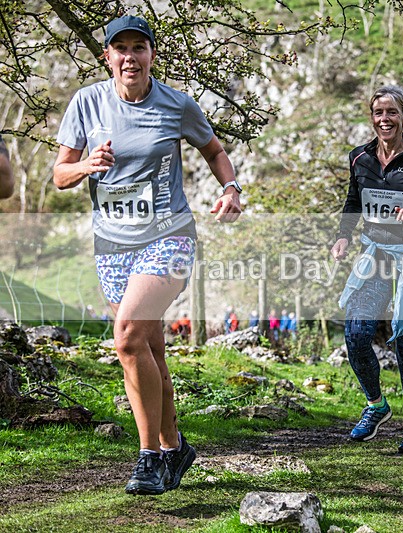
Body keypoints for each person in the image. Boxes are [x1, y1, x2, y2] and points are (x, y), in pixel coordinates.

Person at [53, 15, 242, 496]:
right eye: (121, 48)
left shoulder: (177, 105)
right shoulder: (87, 102)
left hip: (169, 236)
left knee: (128, 337)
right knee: (148, 349)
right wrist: (86, 165)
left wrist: (232, 188)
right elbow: (59, 175)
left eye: (140, 47)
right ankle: (174, 445)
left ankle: (149, 458)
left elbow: (215, 151)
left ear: (152, 55)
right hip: (113, 243)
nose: (130, 57)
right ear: (107, 57)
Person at [332, 85, 403, 454]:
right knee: (357, 332)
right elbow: (353, 199)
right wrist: (343, 236)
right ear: (372, 117)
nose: (385, 119)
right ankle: (376, 405)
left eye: (392, 112)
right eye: (378, 112)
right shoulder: (359, 158)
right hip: (375, 252)